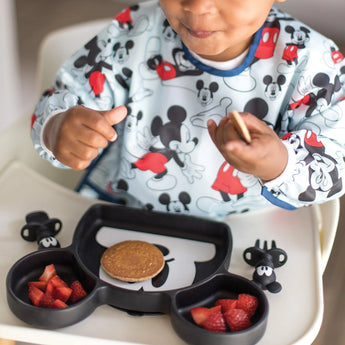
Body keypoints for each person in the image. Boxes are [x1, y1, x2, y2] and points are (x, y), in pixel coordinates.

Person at [31, 0, 345, 220]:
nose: (196, 6)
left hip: (251, 228)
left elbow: (336, 164)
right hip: (126, 212)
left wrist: (280, 162)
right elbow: (64, 97)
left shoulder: (312, 61)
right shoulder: (133, 33)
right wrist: (58, 128)